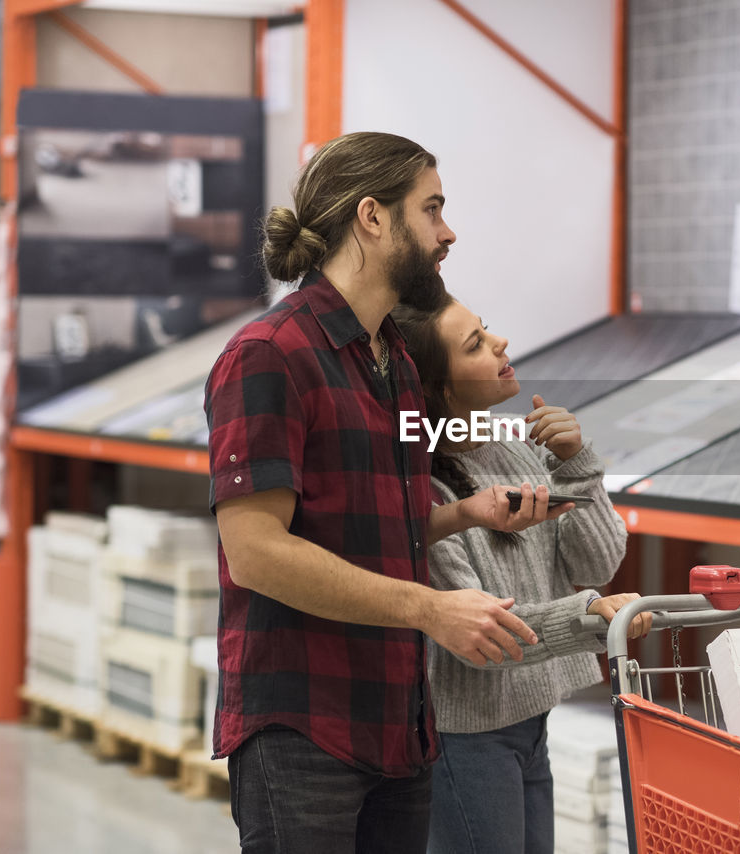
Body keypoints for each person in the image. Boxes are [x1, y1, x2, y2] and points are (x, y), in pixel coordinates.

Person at [205, 132, 566, 854]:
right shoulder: (269, 357)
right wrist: (430, 607)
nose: (448, 232)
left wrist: (460, 516)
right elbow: (256, 554)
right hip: (305, 727)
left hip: (400, 726)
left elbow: (368, 528)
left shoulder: (393, 361)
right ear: (372, 217)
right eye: (431, 209)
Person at [392, 294, 652, 854]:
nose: (499, 343)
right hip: (467, 740)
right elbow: (477, 636)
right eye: (475, 345)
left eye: (486, 329)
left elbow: (595, 564)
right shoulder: (427, 494)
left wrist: (578, 464)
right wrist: (588, 615)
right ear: (438, 389)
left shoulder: (518, 444)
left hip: (530, 724)